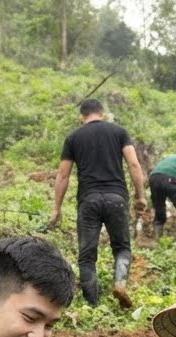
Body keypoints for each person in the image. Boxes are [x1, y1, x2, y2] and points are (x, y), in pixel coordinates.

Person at [48, 98, 147, 309]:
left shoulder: (73, 137)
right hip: (116, 198)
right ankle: (119, 283)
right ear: (102, 114)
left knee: (87, 256)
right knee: (122, 248)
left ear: (82, 117)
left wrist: (56, 208)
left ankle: (92, 304)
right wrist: (140, 196)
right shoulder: (119, 132)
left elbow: (63, 175)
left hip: (88, 200)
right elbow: (133, 164)